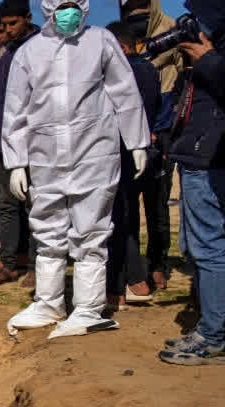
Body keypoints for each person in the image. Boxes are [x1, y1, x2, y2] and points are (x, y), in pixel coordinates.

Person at [2, 0, 150, 339]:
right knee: (47, 227)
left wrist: (137, 141)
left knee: (91, 229)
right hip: (45, 153)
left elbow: (125, 92)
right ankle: (49, 302)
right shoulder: (29, 52)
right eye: (61, 4)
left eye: (74, 4)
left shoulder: (100, 41)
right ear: (47, 7)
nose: (68, 11)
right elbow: (16, 110)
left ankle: (88, 308)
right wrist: (16, 162)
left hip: (94, 150)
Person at [158, 0, 225, 364]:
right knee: (204, 249)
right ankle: (211, 327)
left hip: (210, 158)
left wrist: (209, 61)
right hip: (200, 154)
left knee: (210, 250)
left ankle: (214, 336)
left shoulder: (214, 53)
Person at [120, 0, 183, 292]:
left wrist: (160, 129)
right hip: (128, 132)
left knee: (157, 204)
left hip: (162, 127)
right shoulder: (119, 42)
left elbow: (182, 83)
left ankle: (158, 264)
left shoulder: (171, 30)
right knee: (128, 205)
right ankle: (134, 269)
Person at [0, 0, 40, 285]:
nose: (4, 34)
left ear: (27, 19)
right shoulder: (0, 55)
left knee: (33, 204)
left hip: (32, 141)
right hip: (0, 142)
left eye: (10, 26)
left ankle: (38, 267)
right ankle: (10, 263)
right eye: (0, 29)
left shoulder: (40, 46)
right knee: (5, 204)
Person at [105, 20, 162, 311]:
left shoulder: (124, 71)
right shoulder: (149, 70)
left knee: (117, 219)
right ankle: (136, 280)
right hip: (141, 152)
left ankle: (119, 287)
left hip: (120, 152)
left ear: (121, 47)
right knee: (131, 216)